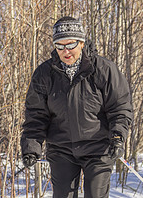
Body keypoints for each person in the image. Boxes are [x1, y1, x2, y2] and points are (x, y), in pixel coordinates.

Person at [21, 16, 133, 198]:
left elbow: (119, 107)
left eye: (71, 45)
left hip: (98, 147)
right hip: (61, 148)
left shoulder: (104, 70)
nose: (66, 51)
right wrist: (31, 147)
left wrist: (118, 136)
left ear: (81, 43)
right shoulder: (44, 74)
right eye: (60, 46)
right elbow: (36, 115)